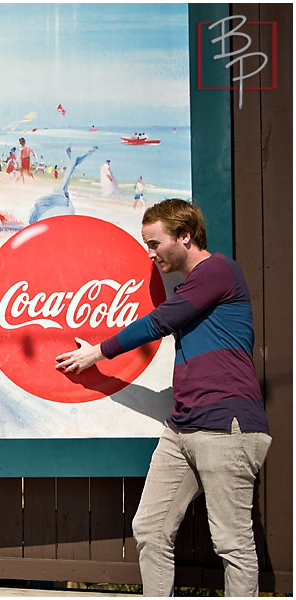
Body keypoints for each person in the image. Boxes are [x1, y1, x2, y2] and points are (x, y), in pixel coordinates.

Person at [55, 199, 271, 596]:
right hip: (183, 426)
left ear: (185, 236)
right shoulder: (198, 283)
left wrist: (96, 353)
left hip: (227, 425)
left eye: (155, 243)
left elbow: (160, 322)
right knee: (150, 528)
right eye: (145, 244)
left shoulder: (218, 271)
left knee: (232, 543)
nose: (149, 253)